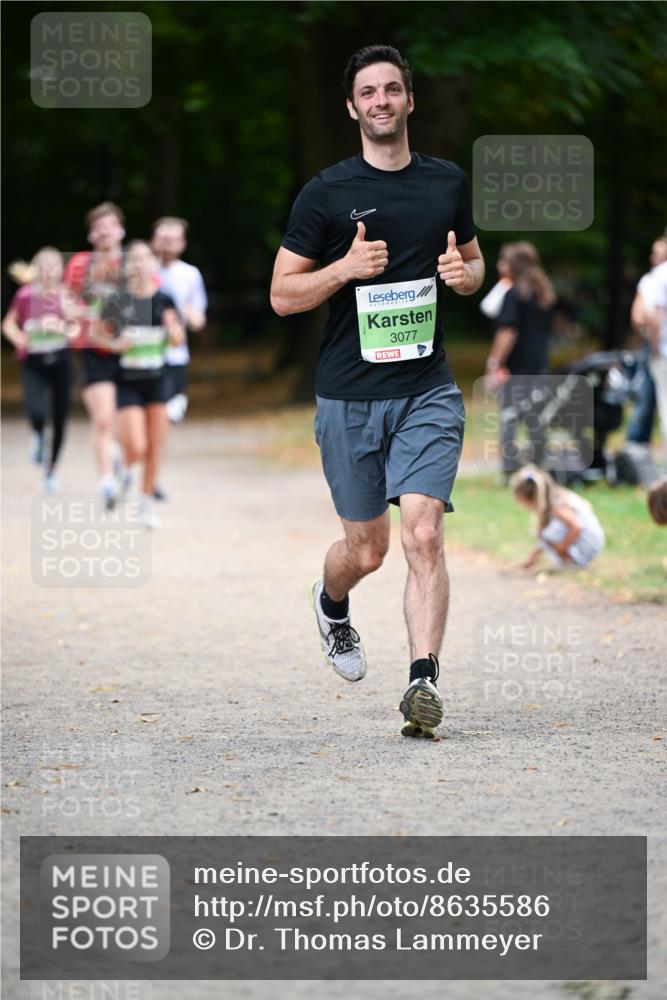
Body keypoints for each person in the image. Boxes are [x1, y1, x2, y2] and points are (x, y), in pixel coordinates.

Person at [270, 44, 484, 739]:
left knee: (423, 532)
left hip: (426, 386)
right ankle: (332, 604)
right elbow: (281, 296)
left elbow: (473, 262)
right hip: (347, 395)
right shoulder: (325, 193)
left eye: (393, 89)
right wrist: (343, 268)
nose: (382, 101)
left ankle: (423, 682)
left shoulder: (446, 182)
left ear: (409, 101)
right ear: (352, 107)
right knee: (368, 550)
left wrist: (463, 275)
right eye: (369, 91)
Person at [93, 241, 184, 529]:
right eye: (132, 260)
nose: (138, 265)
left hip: (158, 380)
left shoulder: (164, 300)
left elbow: (178, 337)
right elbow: (95, 336)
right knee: (137, 444)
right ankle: (124, 462)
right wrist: (116, 343)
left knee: (156, 446)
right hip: (128, 382)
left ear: (153, 264)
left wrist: (173, 332)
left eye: (144, 259)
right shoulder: (119, 301)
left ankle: (144, 504)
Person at [64, 202, 126, 507]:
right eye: (99, 227)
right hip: (92, 350)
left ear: (121, 231)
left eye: (110, 225)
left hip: (129, 351)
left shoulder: (133, 263)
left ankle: (118, 454)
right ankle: (106, 483)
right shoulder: (78, 264)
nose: (105, 232)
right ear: (91, 234)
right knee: (103, 419)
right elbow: (65, 302)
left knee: (126, 423)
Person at [2, 248, 75, 492]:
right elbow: (8, 323)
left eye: (53, 266)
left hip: (61, 361)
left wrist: (61, 329)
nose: (48, 272)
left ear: (61, 270)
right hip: (33, 362)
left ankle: (51, 471)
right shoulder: (25, 295)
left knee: (60, 417)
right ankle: (37, 434)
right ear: (36, 269)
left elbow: (77, 329)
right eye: (43, 266)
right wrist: (19, 338)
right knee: (36, 410)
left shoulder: (66, 296)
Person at [484, 242, 556, 478]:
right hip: (538, 366)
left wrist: (494, 362)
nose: (498, 265)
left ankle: (508, 470)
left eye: (503, 261)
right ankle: (540, 467)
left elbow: (508, 331)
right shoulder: (541, 292)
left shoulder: (513, 294)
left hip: (516, 369)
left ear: (514, 266)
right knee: (536, 419)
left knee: (509, 418)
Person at [151, 216, 207, 426]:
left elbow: (199, 319)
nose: (167, 243)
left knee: (170, 414)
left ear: (183, 244)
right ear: (152, 240)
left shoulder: (190, 274)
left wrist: (187, 314)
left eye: (172, 239)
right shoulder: (140, 270)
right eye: (162, 238)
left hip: (175, 354)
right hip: (143, 354)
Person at [509, 465, 605, 571]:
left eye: (524, 503)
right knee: (546, 531)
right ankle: (570, 560)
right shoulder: (558, 497)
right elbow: (543, 542)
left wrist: (561, 550)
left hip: (587, 543)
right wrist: (530, 560)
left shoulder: (557, 506)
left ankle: (570, 561)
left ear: (534, 499)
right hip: (593, 541)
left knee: (547, 531)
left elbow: (576, 526)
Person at [627, 236, 667, 445]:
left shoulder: (656, 278)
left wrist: (654, 348)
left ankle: (635, 446)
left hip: (660, 349)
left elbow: (646, 316)